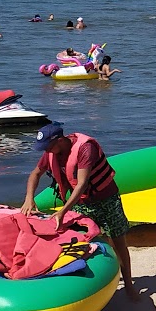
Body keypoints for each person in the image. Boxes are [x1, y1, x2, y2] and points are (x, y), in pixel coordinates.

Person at [20, 123, 137, 299]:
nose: (47, 151)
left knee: (118, 241)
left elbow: (81, 184)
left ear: (60, 140)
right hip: (81, 203)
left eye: (49, 147)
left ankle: (128, 284)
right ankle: (90, 287)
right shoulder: (51, 152)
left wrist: (63, 211)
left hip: (107, 199)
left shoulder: (85, 148)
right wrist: (29, 199)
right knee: (80, 242)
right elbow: (35, 174)